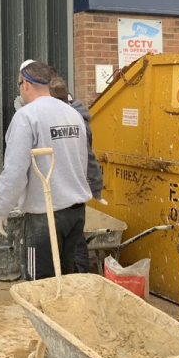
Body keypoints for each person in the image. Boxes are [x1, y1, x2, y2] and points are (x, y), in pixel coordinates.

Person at [0, 61, 91, 280]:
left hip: (45, 217)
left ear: (25, 84)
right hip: (75, 212)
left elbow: (15, 171)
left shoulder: (26, 117)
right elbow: (81, 160)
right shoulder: (72, 114)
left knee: (39, 284)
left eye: (20, 84)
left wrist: (2, 208)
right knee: (69, 280)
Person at [49, 75, 104, 273]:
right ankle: (79, 276)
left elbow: (87, 154)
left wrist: (95, 186)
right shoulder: (78, 115)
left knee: (71, 241)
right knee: (75, 239)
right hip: (76, 186)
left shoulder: (69, 119)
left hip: (67, 186)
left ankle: (79, 277)